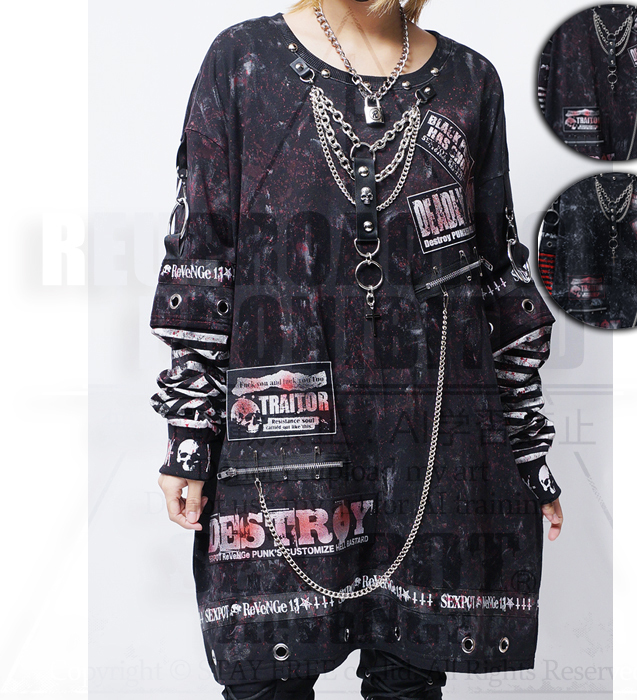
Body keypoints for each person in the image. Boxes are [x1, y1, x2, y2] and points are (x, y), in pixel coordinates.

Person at [149, 1, 564, 698]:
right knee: (266, 679)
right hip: (280, 441)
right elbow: (202, 256)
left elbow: (499, 278)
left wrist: (527, 450)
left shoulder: (470, 81)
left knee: (409, 682)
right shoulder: (243, 62)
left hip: (431, 447)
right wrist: (190, 433)